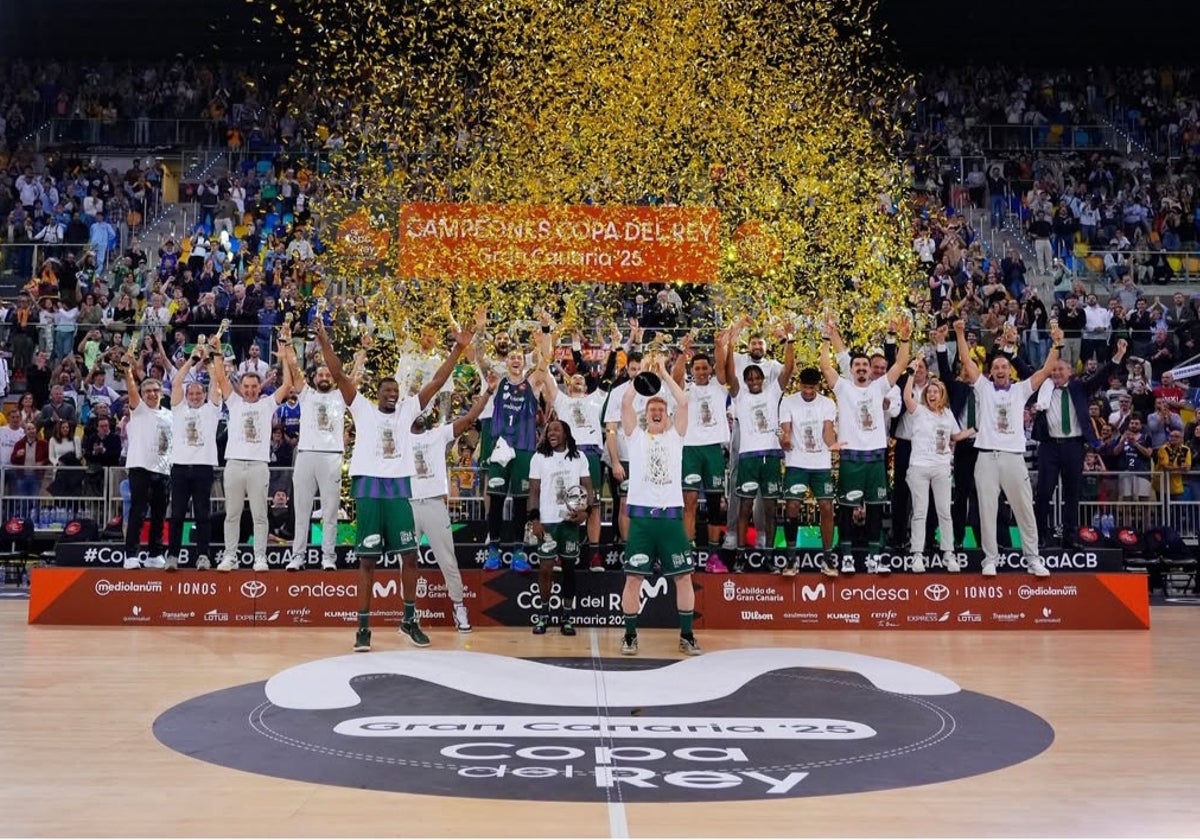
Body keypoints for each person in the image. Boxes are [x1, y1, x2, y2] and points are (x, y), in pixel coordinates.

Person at [316, 318, 472, 653]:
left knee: (410, 556)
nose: (392, 394)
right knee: (367, 562)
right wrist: (324, 340)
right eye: (387, 391)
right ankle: (363, 627)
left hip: (400, 489)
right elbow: (340, 374)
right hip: (370, 488)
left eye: (396, 391)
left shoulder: (407, 413)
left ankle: (409, 620)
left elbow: (439, 379)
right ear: (378, 393)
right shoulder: (363, 410)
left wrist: (459, 348)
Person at [954, 318, 1061, 577]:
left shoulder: (1021, 389)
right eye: (996, 366)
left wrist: (1057, 343)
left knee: (1024, 508)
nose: (1001, 369)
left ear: (1010, 371)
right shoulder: (983, 388)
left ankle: (1033, 559)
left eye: (1004, 366)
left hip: (1013, 458)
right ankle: (989, 559)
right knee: (986, 510)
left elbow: (1046, 371)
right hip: (986, 458)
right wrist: (959, 333)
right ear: (991, 372)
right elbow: (967, 362)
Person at [618, 355, 701, 657]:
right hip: (641, 520)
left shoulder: (676, 438)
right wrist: (639, 377)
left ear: (666, 416)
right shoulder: (635, 436)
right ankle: (629, 636)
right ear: (646, 415)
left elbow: (685, 403)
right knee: (633, 578)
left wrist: (664, 372)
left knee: (683, 577)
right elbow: (626, 405)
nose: (656, 411)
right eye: (651, 409)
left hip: (670, 520)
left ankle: (687, 635)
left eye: (660, 409)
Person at [819, 316, 911, 574]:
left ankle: (874, 557)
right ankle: (846, 555)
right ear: (852, 369)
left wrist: (904, 338)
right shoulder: (843, 388)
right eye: (857, 365)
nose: (861, 368)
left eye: (864, 365)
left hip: (875, 458)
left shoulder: (880, 386)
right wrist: (827, 340)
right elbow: (825, 367)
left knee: (874, 509)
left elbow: (902, 362)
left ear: (871, 370)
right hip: (851, 457)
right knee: (847, 509)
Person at [407, 374, 495, 633]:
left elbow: (468, 420)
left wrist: (488, 394)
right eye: (416, 411)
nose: (420, 414)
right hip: (408, 505)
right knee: (407, 562)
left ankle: (459, 607)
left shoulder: (438, 434)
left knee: (448, 560)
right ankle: (408, 615)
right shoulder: (400, 437)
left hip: (434, 504)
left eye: (424, 410)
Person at [1033, 338, 1127, 547]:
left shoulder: (1079, 388)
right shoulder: (1043, 389)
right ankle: (1039, 536)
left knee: (1072, 493)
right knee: (1044, 492)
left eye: (1060, 369)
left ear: (1069, 372)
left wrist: (1117, 357)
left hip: (1074, 446)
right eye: (1053, 370)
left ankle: (1070, 537)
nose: (1055, 373)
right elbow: (1023, 371)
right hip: (1049, 447)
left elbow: (1100, 376)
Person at [212, 334, 294, 572]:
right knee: (232, 514)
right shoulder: (234, 402)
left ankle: (260, 558)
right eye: (246, 386)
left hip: (259, 465)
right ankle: (230, 556)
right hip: (234, 464)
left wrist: (286, 357)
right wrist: (217, 353)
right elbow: (219, 377)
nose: (249, 390)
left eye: (253, 386)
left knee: (260, 515)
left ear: (260, 387)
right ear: (242, 387)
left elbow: (288, 386)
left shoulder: (267, 404)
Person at [723, 325, 795, 570]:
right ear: (745, 381)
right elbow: (730, 374)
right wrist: (731, 344)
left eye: (757, 378)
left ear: (764, 379)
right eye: (749, 378)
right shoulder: (739, 396)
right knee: (744, 507)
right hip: (748, 458)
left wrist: (790, 340)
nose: (753, 381)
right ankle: (741, 556)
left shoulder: (773, 392)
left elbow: (789, 369)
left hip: (772, 457)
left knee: (770, 508)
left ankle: (770, 555)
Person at [282, 326, 353, 573]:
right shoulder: (306, 395)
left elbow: (353, 376)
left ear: (333, 379)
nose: (323, 377)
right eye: (320, 374)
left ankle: (328, 557)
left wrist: (364, 351)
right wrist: (288, 342)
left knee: (330, 512)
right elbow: (293, 367)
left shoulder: (341, 396)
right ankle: (297, 557)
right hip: (305, 455)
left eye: (327, 375)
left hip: (332, 457)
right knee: (301, 511)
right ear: (314, 379)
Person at [527, 418, 594, 635]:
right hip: (547, 523)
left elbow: (588, 489)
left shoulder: (579, 457)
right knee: (545, 569)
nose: (551, 433)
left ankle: (567, 617)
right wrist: (535, 520)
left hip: (569, 522)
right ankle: (544, 614)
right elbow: (534, 492)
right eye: (548, 430)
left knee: (569, 569)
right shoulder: (539, 457)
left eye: (556, 429)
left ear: (566, 433)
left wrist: (586, 512)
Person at [902, 374, 973, 573]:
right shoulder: (919, 410)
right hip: (919, 467)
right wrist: (910, 374)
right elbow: (907, 397)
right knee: (920, 512)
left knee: (944, 512)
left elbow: (956, 436)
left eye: (936, 391)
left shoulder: (948, 414)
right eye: (929, 391)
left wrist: (976, 428)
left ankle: (948, 553)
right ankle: (917, 554)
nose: (932, 394)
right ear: (925, 395)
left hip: (941, 467)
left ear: (942, 395)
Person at [671, 336, 731, 570]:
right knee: (690, 502)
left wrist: (719, 345)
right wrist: (683, 350)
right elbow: (676, 378)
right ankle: (688, 552)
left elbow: (723, 367)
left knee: (716, 503)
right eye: (697, 368)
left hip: (714, 450)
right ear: (692, 370)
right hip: (690, 449)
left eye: (705, 367)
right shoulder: (687, 388)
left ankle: (714, 556)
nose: (702, 371)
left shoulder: (718, 386)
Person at [167, 338, 224, 571]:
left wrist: (208, 360)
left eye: (198, 393)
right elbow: (177, 382)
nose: (194, 396)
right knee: (177, 514)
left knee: (202, 514)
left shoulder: (212, 410)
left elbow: (217, 384)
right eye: (191, 393)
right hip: (179, 467)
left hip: (203, 467)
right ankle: (172, 556)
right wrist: (192, 360)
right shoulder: (179, 409)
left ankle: (203, 556)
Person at [779, 368, 839, 576]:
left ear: (818, 385)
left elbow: (828, 431)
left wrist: (833, 441)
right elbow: (785, 430)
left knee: (826, 506)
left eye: (812, 387)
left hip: (821, 463)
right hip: (796, 462)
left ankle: (828, 557)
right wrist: (784, 438)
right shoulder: (788, 402)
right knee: (792, 505)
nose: (808, 391)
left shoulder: (827, 404)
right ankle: (791, 558)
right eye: (805, 386)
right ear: (799, 384)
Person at [121, 351, 173, 570]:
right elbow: (132, 389)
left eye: (155, 390)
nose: (151, 394)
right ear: (142, 394)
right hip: (140, 467)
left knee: (160, 515)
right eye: (147, 391)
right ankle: (131, 554)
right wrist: (127, 370)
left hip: (163, 470)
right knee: (138, 512)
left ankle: (154, 553)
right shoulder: (139, 410)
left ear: (161, 392)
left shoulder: (170, 415)